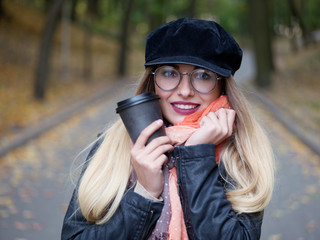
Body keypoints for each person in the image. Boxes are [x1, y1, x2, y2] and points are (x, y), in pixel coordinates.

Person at [61, 17, 274, 240]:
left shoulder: (240, 153)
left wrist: (197, 155)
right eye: (170, 73)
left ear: (222, 85)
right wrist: (144, 194)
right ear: (152, 80)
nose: (184, 91)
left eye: (202, 76)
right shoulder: (112, 145)